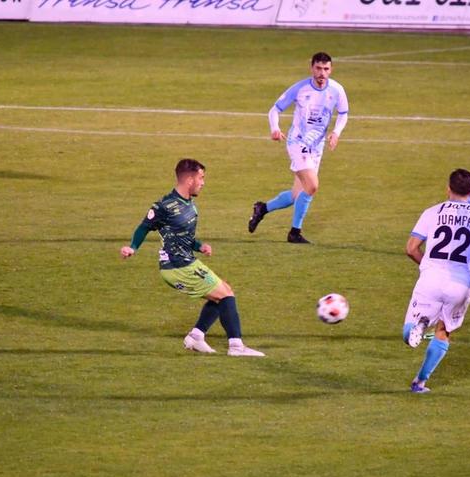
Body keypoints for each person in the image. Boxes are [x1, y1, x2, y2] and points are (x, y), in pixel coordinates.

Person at [121, 158, 265, 357]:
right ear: (189, 179)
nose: (203, 182)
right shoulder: (165, 205)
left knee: (223, 290)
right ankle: (236, 346)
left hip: (187, 261)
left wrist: (200, 246)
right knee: (225, 295)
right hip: (177, 267)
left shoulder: (189, 204)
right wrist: (132, 247)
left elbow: (183, 236)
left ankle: (196, 337)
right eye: (201, 178)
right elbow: (144, 226)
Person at [402, 169, 470, 394]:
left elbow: (411, 249)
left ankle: (420, 325)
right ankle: (420, 382)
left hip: (430, 278)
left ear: (448, 188)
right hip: (461, 283)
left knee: (408, 332)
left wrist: (427, 266)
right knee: (444, 331)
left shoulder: (432, 212)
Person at [248, 51, 349, 244]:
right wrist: (275, 128)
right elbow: (274, 110)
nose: (322, 73)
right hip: (297, 142)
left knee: (297, 195)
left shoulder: (337, 90)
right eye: (318, 68)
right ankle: (295, 232)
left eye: (326, 69)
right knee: (312, 186)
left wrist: (336, 132)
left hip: (316, 146)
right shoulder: (300, 88)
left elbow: (343, 113)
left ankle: (262, 208)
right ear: (311, 68)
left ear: (331, 69)